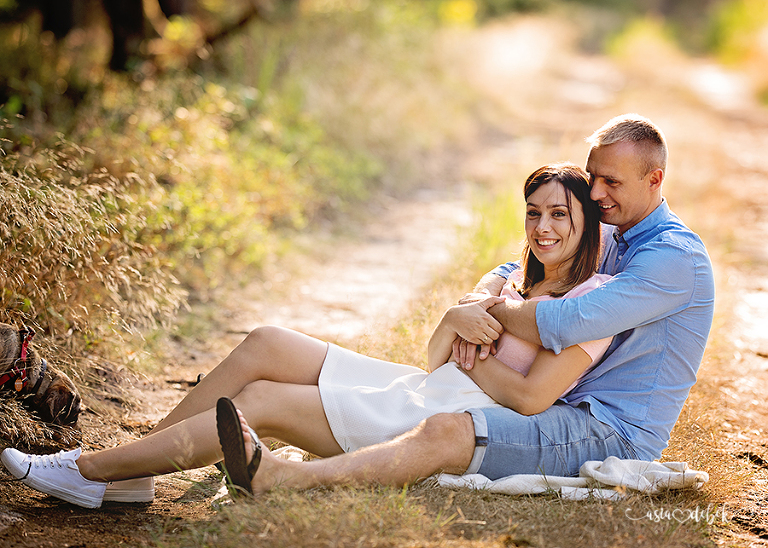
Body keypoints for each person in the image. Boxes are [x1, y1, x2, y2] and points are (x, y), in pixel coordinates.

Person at [3, 113, 715, 505]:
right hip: (440, 387)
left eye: (600, 190)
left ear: (654, 180)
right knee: (266, 343)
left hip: (592, 427)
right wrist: (465, 311)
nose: (588, 202)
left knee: (264, 399)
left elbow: (550, 350)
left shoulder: (662, 262)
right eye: (554, 204)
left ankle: (100, 469)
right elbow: (456, 332)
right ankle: (129, 472)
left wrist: (488, 328)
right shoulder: (600, 237)